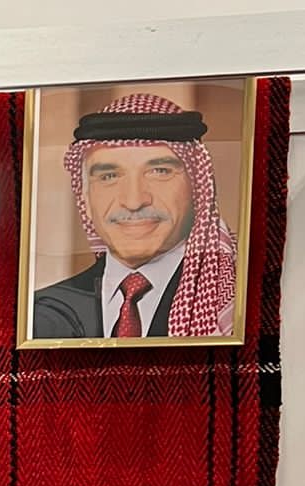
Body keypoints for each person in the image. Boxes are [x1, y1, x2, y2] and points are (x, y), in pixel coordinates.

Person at [30, 93, 238, 341]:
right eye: (109, 176)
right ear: (84, 196)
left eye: (159, 171)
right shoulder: (40, 313)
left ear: (198, 187)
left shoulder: (233, 304)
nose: (134, 201)